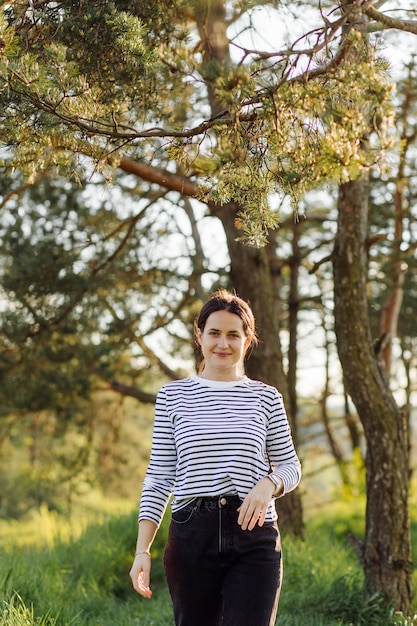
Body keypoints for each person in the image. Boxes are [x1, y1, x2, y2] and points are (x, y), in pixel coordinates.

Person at [129, 289, 301, 626]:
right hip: (192, 536)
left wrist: (270, 484)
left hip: (254, 534)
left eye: (233, 335)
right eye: (215, 333)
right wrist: (142, 551)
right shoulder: (172, 396)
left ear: (247, 339)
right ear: (200, 336)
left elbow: (290, 465)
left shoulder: (266, 397)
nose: (223, 344)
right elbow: (160, 476)